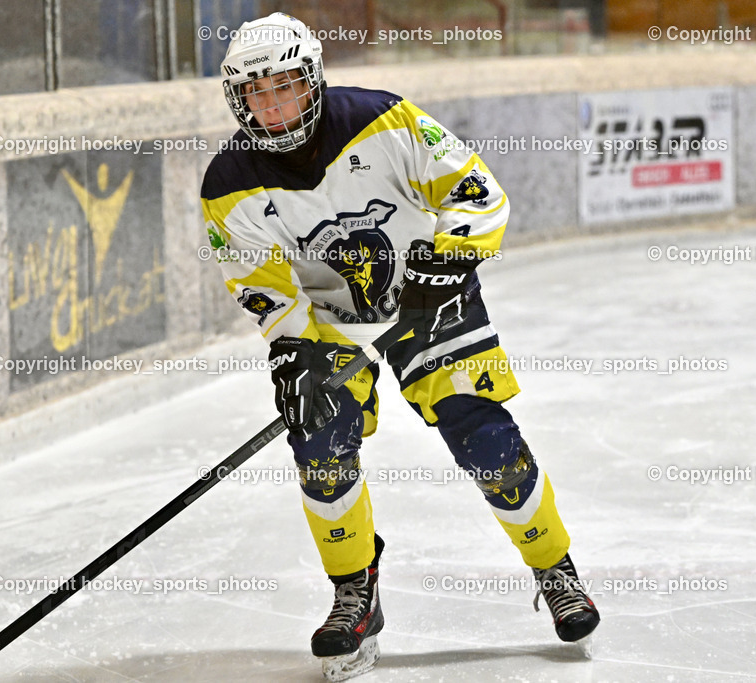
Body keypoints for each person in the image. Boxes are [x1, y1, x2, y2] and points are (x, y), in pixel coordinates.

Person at [201, 13, 599, 681]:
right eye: (256, 94)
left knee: (485, 437)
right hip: (331, 321)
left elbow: (477, 192)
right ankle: (354, 591)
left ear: (313, 81)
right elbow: (261, 284)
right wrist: (293, 352)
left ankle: (554, 567)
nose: (272, 107)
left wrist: (448, 259)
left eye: (284, 87)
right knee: (320, 450)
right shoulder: (227, 182)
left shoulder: (384, 119)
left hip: (428, 296)